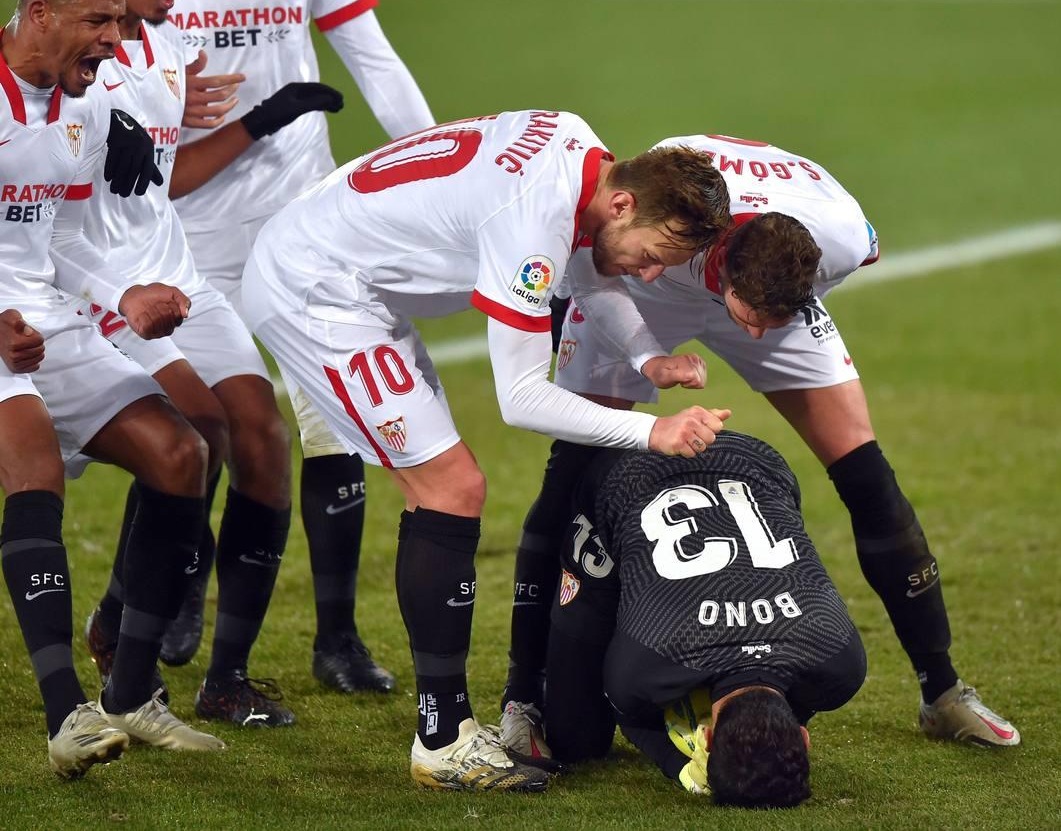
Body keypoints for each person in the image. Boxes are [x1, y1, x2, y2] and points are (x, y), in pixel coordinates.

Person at [241, 112, 733, 790]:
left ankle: (443, 727)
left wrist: (646, 358)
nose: (649, 274)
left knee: (440, 489)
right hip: (317, 292)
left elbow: (587, 272)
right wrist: (655, 432)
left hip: (343, 275)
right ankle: (442, 740)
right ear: (621, 203)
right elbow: (522, 399)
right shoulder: (534, 218)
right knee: (452, 487)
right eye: (652, 253)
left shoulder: (580, 150)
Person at [501, 133, 1019, 756]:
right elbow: (595, 254)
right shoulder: (679, 218)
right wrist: (642, 352)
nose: (754, 334)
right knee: (571, 472)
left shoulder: (842, 238)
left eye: (767, 324)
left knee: (866, 471)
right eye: (750, 318)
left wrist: (770, 311)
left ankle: (942, 690)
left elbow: (777, 299)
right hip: (650, 290)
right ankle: (523, 698)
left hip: (766, 273)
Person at [79, 0, 347, 728]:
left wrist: (266, 117)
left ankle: (225, 677)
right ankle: (126, 624)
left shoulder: (171, 48)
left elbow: (170, 175)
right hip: (96, 289)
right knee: (198, 431)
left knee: (261, 436)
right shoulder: (59, 60)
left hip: (178, 278)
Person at [162, 0, 436, 692]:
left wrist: (431, 168)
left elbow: (369, 52)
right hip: (187, 229)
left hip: (301, 220)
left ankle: (337, 638)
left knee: (332, 426)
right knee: (204, 425)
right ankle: (181, 585)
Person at [0, 0, 224, 777]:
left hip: (45, 320)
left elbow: (59, 238)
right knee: (34, 470)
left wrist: (121, 296)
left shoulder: (80, 108)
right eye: (100, 21)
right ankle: (67, 716)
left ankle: (130, 693)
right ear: (41, 14)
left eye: (122, 23)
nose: (114, 41)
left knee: (181, 455)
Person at [539, 431, 867, 808]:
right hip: (625, 473)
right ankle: (521, 695)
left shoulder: (840, 660)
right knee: (576, 741)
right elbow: (630, 716)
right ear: (707, 740)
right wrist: (679, 767)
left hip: (755, 459)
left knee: (579, 733)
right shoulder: (647, 663)